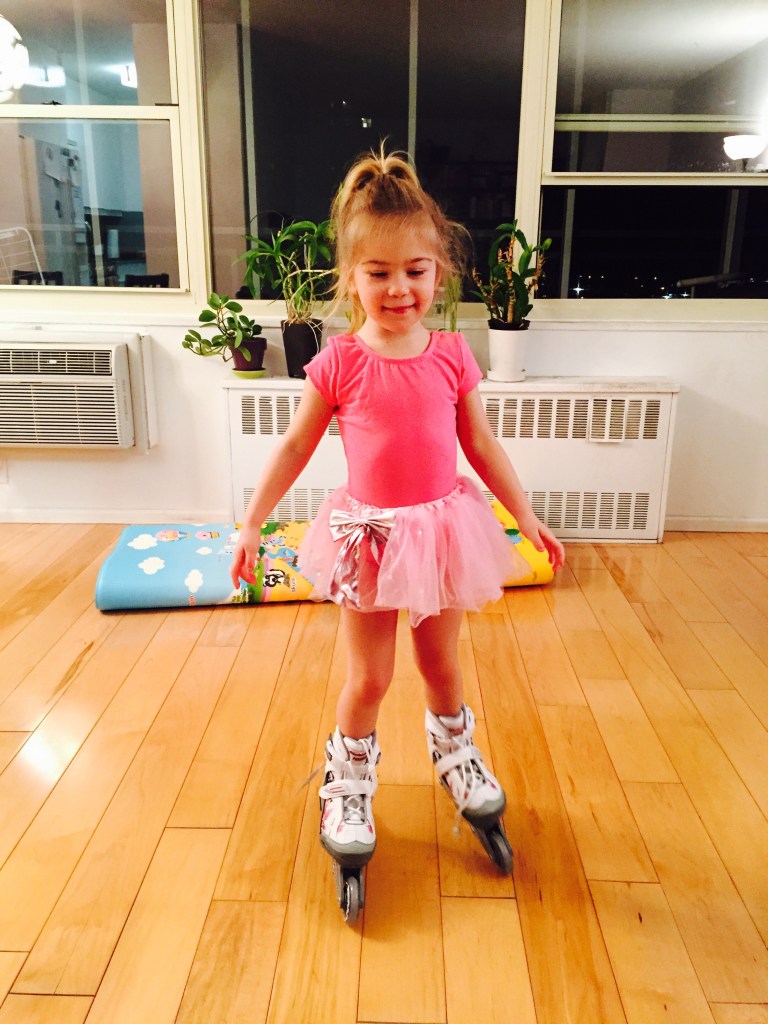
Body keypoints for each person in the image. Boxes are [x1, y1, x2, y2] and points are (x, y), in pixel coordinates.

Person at [230, 149, 565, 877]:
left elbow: (481, 444)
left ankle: (457, 755)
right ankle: (347, 782)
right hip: (371, 538)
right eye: (378, 273)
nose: (398, 288)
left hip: (441, 533)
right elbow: (295, 446)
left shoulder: (451, 354)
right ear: (350, 277)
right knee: (371, 678)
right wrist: (252, 522)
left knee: (441, 665)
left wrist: (527, 516)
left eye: (415, 270)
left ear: (438, 272)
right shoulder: (339, 362)